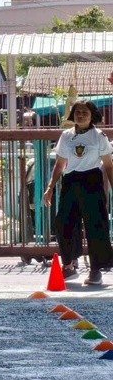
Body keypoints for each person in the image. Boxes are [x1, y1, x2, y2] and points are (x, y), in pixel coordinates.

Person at [44, 100, 113, 285]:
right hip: (71, 181)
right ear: (72, 115)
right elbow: (60, 164)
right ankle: (69, 265)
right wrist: (50, 187)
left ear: (92, 116)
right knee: (63, 222)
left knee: (95, 225)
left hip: (91, 181)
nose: (81, 115)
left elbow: (108, 165)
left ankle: (96, 270)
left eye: (85, 112)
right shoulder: (66, 135)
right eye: (77, 112)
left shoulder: (99, 136)